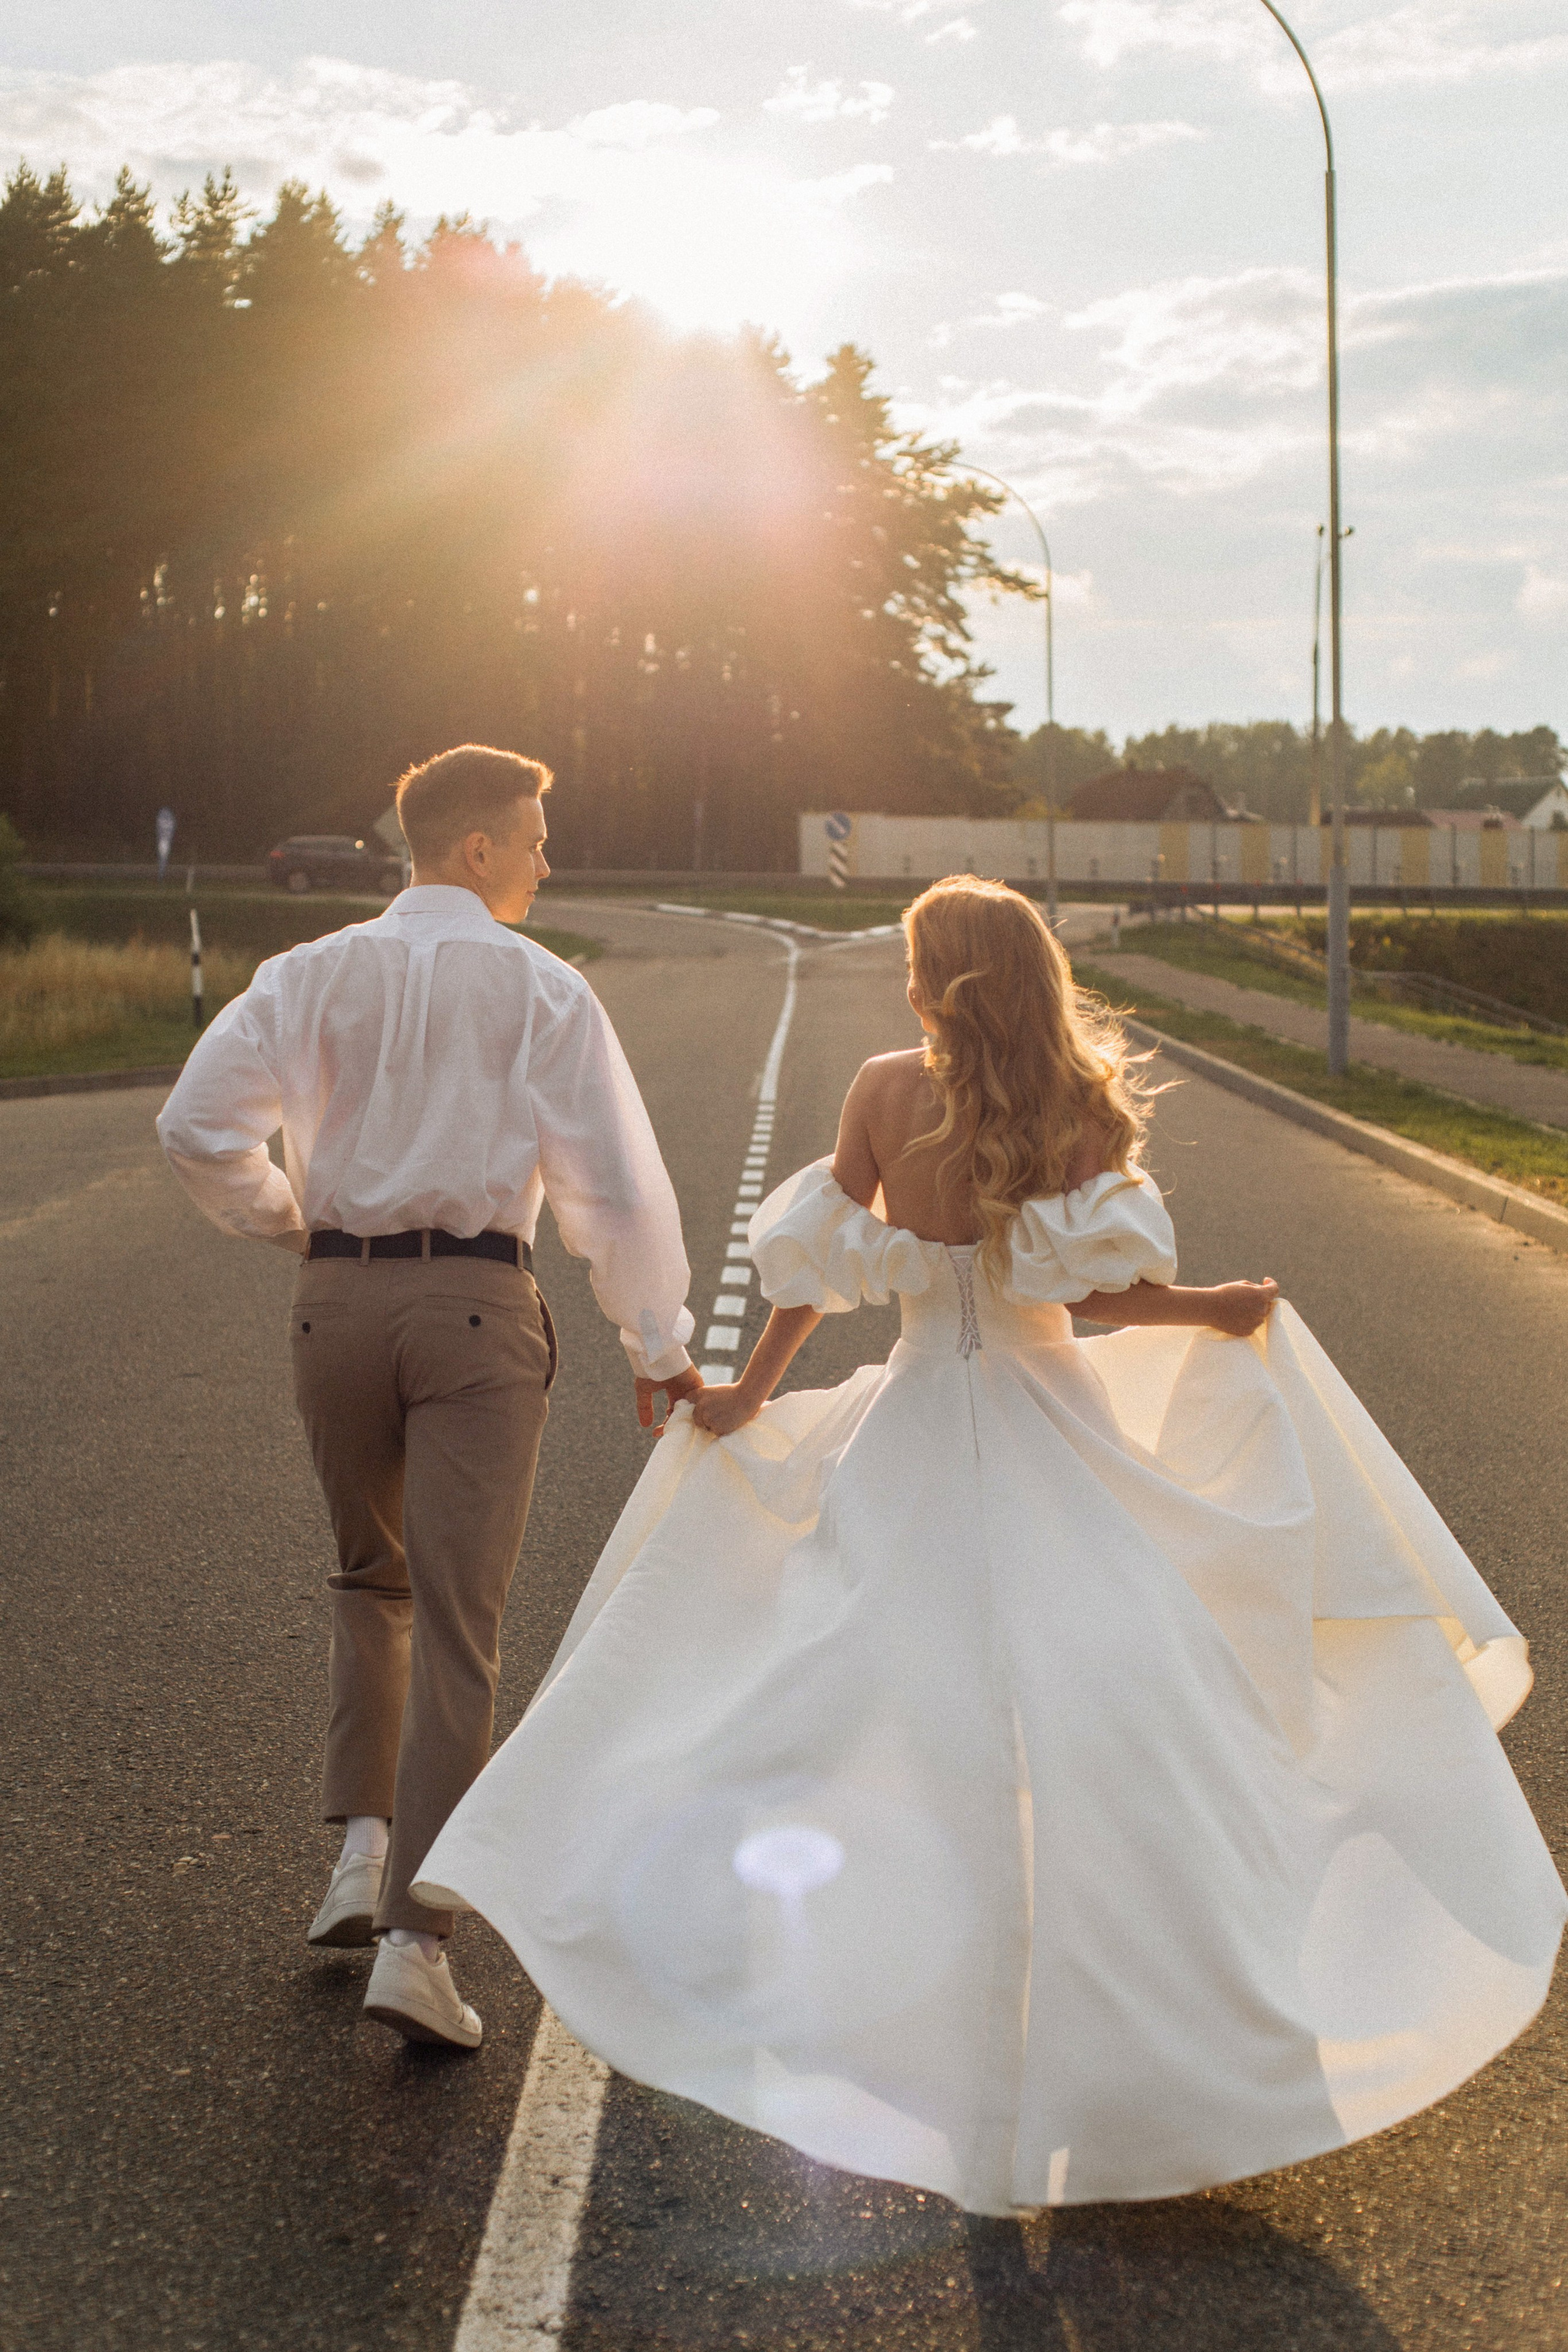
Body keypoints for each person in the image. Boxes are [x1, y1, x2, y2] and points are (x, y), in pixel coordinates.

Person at [414, 873, 1564, 2207]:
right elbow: (1112, 1298)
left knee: (874, 1706)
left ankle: (888, 2019)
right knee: (1119, 1715)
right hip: (1050, 1425)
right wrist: (1220, 1307)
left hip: (911, 1424)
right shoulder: (1070, 1101)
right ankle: (1140, 2047)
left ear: (934, 977)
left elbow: (820, 1265)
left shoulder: (881, 1091)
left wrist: (739, 1390)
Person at [156, 744, 700, 2049]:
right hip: (471, 1310)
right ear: (476, 851)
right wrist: (657, 1342)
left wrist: (296, 1227)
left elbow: (194, 1125)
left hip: (331, 1307)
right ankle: (415, 1940)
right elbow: (610, 1191)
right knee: (459, 1622)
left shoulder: (305, 975)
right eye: (533, 837)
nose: (545, 859)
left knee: (369, 1577)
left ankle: (358, 1851)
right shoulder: (540, 987)